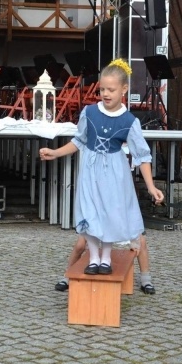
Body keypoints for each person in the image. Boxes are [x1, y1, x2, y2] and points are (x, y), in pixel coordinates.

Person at [40, 58, 164, 275]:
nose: (106, 94)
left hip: (115, 173)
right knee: (90, 210)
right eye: (102, 89)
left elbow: (142, 156)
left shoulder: (129, 121)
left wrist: (151, 186)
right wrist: (56, 153)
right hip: (90, 170)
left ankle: (105, 257)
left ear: (124, 89)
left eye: (111, 90)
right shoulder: (89, 113)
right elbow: (78, 141)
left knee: (109, 213)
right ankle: (94, 256)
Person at [54, 233, 156, 294]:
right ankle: (67, 277)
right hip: (100, 212)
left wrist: (133, 240)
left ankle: (145, 280)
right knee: (80, 245)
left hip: (122, 211)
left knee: (141, 242)